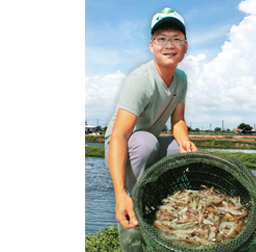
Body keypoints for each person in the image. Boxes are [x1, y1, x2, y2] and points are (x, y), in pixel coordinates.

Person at [104, 7, 198, 251]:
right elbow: (119, 135)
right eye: (162, 38)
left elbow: (178, 120)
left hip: (150, 142)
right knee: (146, 141)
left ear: (185, 47)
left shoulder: (181, 79)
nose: (169, 44)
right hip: (122, 145)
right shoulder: (141, 79)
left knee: (181, 150)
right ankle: (132, 236)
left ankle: (166, 209)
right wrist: (119, 193)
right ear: (151, 45)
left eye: (176, 38)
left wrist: (185, 139)